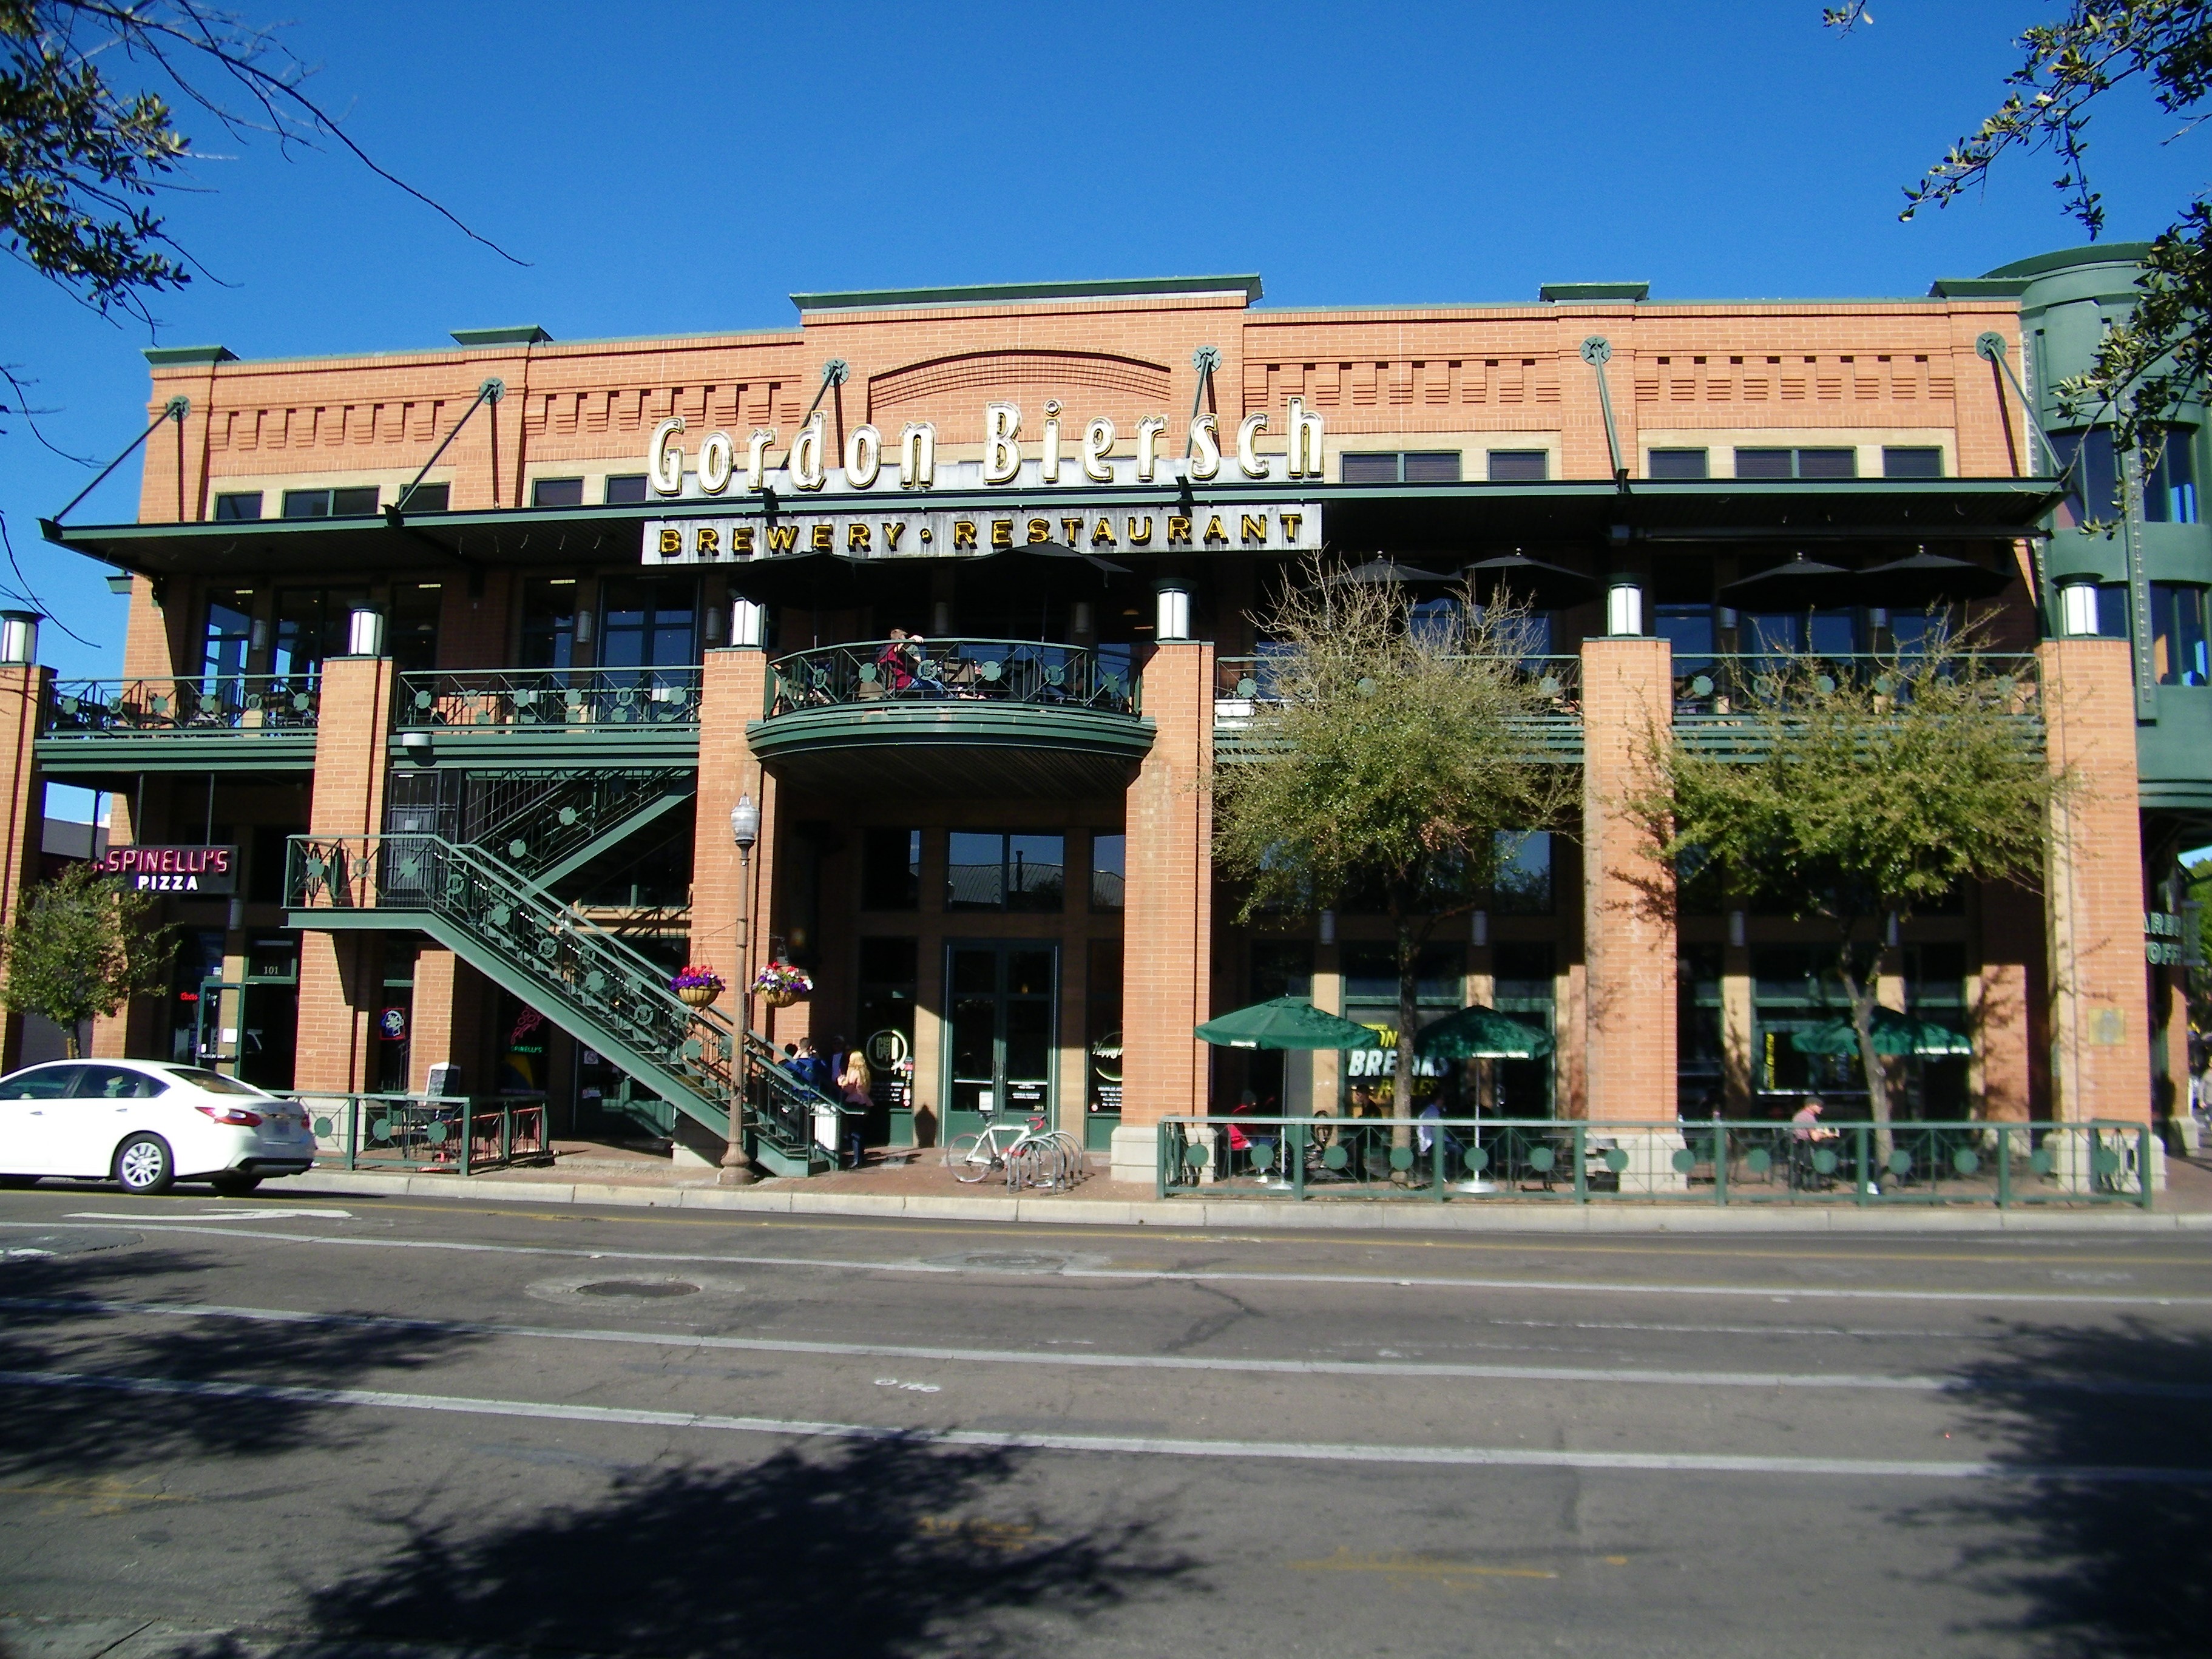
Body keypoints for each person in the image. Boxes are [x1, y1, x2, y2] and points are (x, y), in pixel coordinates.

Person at [837, 1046, 872, 1170]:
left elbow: (849, 1088)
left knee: (854, 1133)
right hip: (864, 1101)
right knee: (860, 1131)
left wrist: (841, 1082)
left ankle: (857, 1160)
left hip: (854, 1102)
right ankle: (861, 1158)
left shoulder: (855, 1072)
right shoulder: (865, 1072)